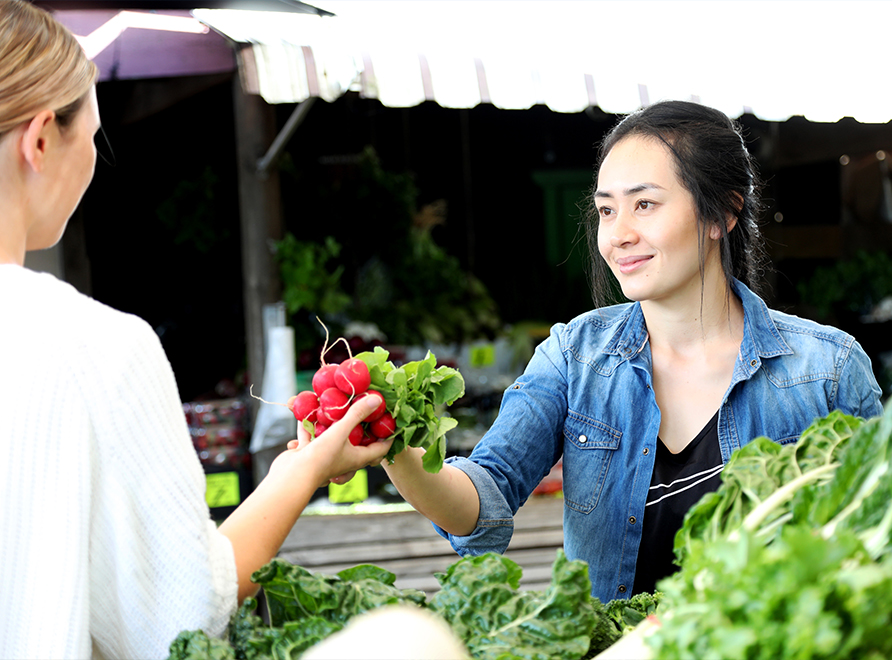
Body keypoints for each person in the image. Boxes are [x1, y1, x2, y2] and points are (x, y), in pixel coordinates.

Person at [0, 2, 392, 658]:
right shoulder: (91, 348)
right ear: (40, 140)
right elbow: (181, 619)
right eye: (92, 137)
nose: (95, 162)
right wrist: (305, 470)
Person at [380, 100, 884, 604]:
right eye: (606, 210)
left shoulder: (827, 371)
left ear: (723, 213)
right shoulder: (574, 357)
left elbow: (872, 552)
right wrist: (395, 447)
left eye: (644, 204)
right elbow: (482, 499)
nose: (618, 235)